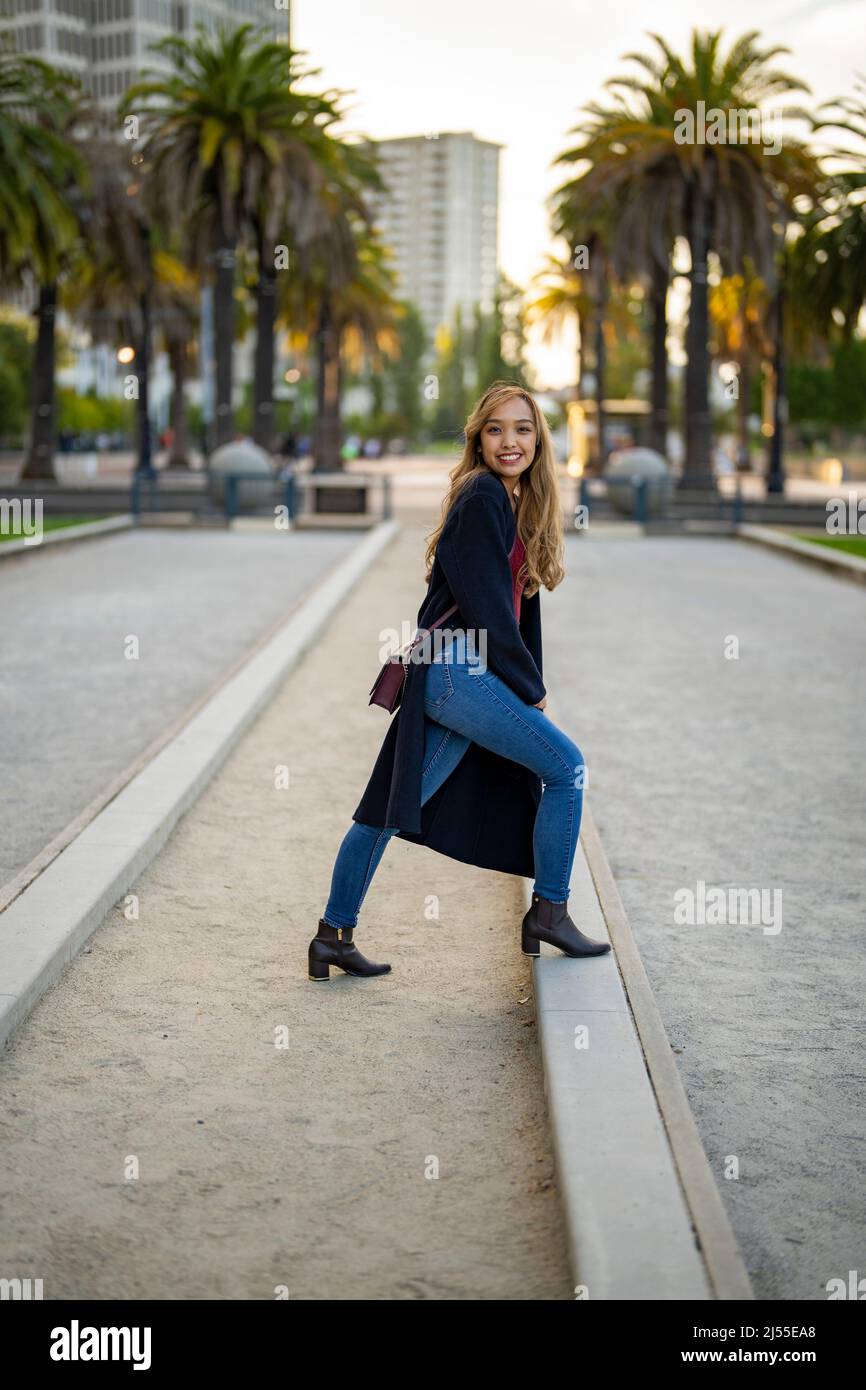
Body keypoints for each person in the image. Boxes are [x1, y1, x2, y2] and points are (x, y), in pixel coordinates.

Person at [309, 380, 610, 981]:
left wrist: (529, 678)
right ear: (478, 438)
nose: (510, 441)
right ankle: (549, 911)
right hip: (456, 672)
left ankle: (332, 937)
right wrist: (532, 690)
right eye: (496, 429)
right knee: (567, 766)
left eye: (522, 429)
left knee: (390, 810)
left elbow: (519, 614)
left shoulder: (511, 500)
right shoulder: (482, 496)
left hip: (452, 675)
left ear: (538, 440)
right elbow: (487, 610)